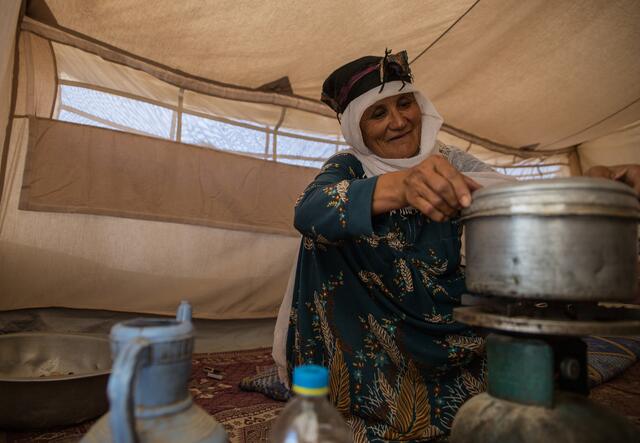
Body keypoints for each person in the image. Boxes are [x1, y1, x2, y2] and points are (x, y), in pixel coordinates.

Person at [273, 50, 640, 442]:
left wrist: (599, 185)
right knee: (324, 233)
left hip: (450, 334)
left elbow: (515, 199)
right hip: (371, 344)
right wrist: (402, 187)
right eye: (377, 114)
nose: (398, 121)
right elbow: (309, 210)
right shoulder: (349, 167)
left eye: (404, 103)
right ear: (357, 130)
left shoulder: (449, 159)